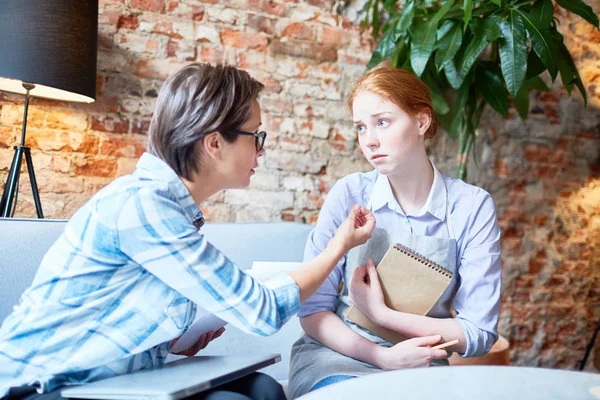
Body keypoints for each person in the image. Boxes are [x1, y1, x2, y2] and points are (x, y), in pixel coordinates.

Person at [0, 63, 376, 400]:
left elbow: (113, 316)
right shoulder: (144, 206)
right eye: (255, 136)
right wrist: (338, 246)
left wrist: (174, 341)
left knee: (262, 390)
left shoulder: (170, 210)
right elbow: (261, 311)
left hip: (105, 377)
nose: (261, 151)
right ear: (214, 142)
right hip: (42, 386)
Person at [288, 67, 502, 399]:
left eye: (382, 122)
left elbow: (478, 333)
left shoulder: (472, 207)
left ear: (421, 122)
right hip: (337, 359)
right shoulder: (349, 196)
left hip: (421, 367)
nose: (369, 140)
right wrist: (381, 357)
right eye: (361, 127)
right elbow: (312, 311)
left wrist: (381, 314)